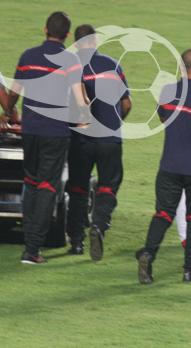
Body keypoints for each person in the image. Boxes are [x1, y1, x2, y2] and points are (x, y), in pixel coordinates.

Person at [136, 49, 191, 284]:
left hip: (169, 165)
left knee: (163, 213)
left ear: (181, 67)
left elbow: (163, 117)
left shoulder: (167, 91)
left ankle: (148, 254)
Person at [1, 12, 86, 264]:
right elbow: (80, 99)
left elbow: (14, 92)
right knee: (48, 186)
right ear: (67, 34)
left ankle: (29, 240)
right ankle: (33, 248)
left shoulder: (27, 56)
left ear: (45, 30)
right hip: (55, 132)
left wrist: (8, 111)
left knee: (30, 182)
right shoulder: (71, 60)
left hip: (30, 130)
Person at [65, 24, 132, 260]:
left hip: (80, 140)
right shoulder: (112, 65)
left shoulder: (69, 67)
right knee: (108, 187)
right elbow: (126, 104)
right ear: (95, 41)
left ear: (76, 43)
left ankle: (76, 242)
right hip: (108, 140)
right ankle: (98, 225)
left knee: (78, 189)